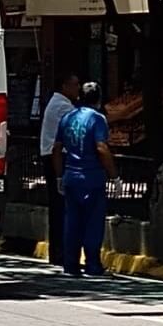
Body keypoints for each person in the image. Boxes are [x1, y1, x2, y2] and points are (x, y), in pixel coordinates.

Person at [52, 81, 118, 277]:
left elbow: (56, 149)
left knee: (72, 221)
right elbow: (101, 148)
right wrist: (114, 176)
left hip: (71, 175)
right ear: (99, 99)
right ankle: (92, 264)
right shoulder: (98, 119)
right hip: (92, 177)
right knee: (93, 223)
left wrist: (58, 175)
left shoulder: (68, 117)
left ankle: (70, 263)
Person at [39, 73, 80, 266]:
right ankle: (61, 252)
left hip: (54, 156)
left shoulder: (58, 103)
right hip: (57, 158)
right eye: (75, 84)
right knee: (62, 207)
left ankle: (60, 252)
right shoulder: (63, 106)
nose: (78, 88)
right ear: (65, 86)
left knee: (59, 207)